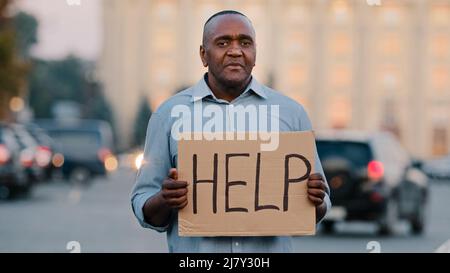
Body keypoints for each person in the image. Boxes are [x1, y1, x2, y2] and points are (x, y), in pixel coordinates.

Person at [131, 10, 331, 253]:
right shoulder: (169, 115)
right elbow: (143, 204)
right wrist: (165, 200)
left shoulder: (291, 114)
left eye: (245, 43)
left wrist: (315, 200)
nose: (235, 51)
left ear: (255, 54)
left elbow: (318, 211)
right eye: (223, 42)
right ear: (203, 55)